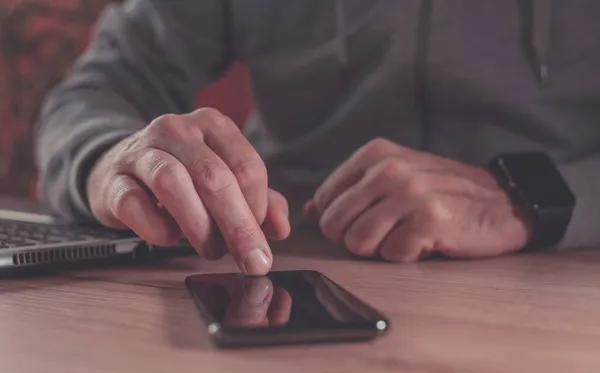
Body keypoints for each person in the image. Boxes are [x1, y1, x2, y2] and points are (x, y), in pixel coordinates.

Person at [35, 0, 600, 275]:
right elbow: (93, 91)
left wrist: (535, 197)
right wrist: (109, 157)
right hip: (274, 270)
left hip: (554, 278)